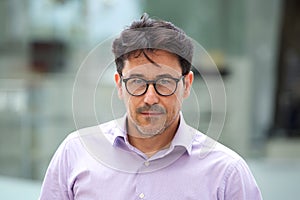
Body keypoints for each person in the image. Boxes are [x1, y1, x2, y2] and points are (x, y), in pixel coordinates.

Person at [39, 13, 262, 199]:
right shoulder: (75, 152)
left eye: (164, 82)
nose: (150, 98)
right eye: (137, 82)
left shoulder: (227, 173)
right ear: (119, 85)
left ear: (186, 85)